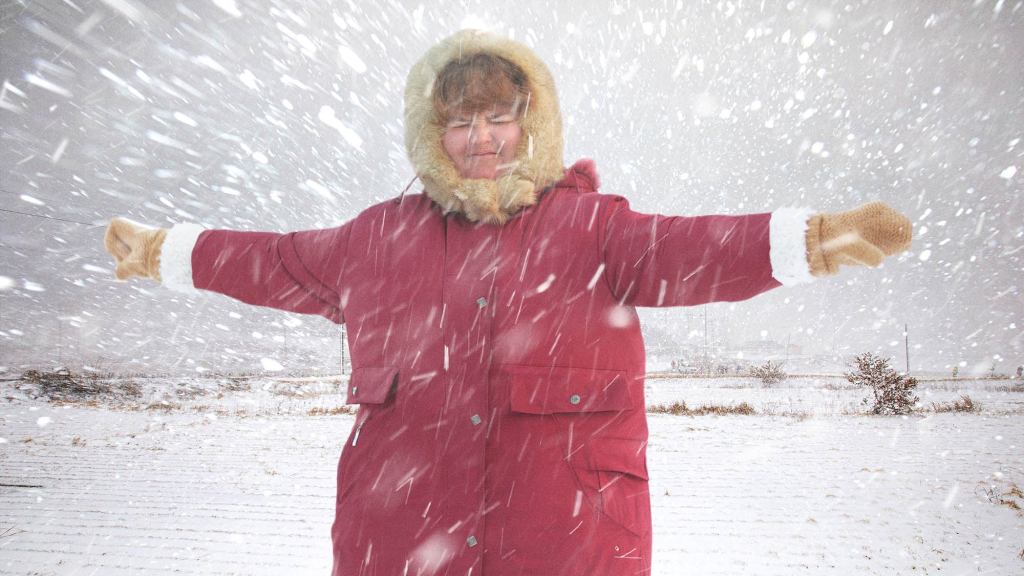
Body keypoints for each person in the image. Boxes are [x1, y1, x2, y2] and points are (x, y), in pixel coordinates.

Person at [104, 30, 912, 576]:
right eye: (460, 122)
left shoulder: (597, 231)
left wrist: (808, 240)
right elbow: (267, 258)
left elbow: (691, 248)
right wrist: (161, 252)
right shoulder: (374, 241)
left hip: (568, 547)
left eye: (499, 117)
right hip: (403, 545)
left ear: (532, 126)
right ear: (433, 132)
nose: (481, 137)